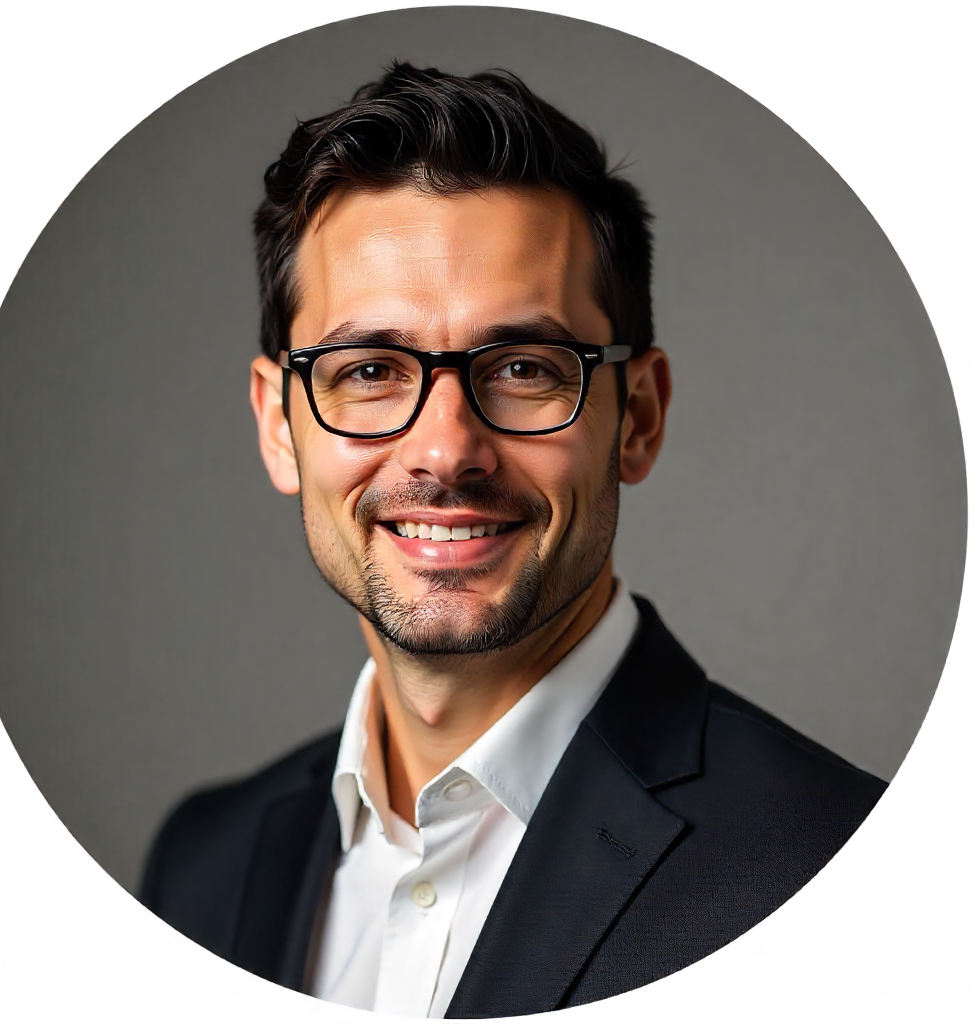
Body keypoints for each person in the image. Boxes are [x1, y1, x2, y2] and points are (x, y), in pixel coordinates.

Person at [140, 63, 885, 1017]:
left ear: (639, 417)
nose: (446, 451)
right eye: (368, 370)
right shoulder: (201, 866)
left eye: (525, 367)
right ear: (280, 425)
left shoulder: (836, 874)